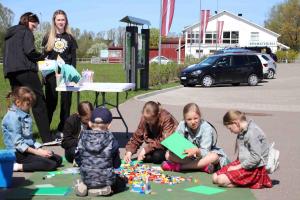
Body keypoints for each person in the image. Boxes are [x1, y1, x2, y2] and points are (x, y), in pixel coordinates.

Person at [3, 12, 52, 142]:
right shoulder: (25, 31)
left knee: (19, 103)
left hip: (11, 72)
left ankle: (19, 137)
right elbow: (29, 51)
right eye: (33, 25)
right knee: (38, 102)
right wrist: (42, 56)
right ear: (27, 21)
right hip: (25, 70)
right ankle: (47, 138)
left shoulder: (10, 34)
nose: (33, 29)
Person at [1, 86, 62, 172]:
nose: (30, 107)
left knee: (58, 159)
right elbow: (18, 144)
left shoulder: (24, 114)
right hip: (17, 153)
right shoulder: (13, 117)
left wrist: (40, 149)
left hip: (27, 150)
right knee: (51, 164)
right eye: (28, 104)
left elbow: (29, 139)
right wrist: (38, 152)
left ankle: (34, 161)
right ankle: (17, 166)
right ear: (18, 102)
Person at [161, 103, 229, 173]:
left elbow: (206, 151)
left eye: (195, 118)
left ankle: (180, 167)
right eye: (189, 119)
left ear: (200, 116)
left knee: (214, 157)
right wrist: (173, 147)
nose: (193, 122)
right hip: (188, 157)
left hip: (203, 156)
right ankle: (201, 167)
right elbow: (178, 142)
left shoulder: (206, 128)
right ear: (185, 119)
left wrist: (197, 151)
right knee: (168, 155)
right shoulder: (182, 124)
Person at [74, 107, 127, 197]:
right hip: (106, 180)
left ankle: (84, 186)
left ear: (90, 123)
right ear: (109, 125)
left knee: (87, 178)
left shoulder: (82, 137)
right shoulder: (111, 139)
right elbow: (116, 164)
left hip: (87, 178)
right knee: (122, 183)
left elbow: (78, 159)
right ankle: (101, 189)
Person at [212, 110, 272, 189]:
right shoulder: (242, 130)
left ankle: (250, 182)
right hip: (243, 163)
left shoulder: (252, 133)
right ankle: (239, 181)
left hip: (253, 168)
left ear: (236, 123)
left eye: (230, 128)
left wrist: (237, 167)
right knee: (215, 177)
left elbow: (256, 158)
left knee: (220, 180)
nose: (231, 131)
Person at [42, 9, 78, 133]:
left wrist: (73, 76)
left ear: (66, 21)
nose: (61, 22)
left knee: (66, 103)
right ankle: (45, 130)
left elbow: (73, 58)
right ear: (54, 21)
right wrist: (44, 75)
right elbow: (44, 57)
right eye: (58, 19)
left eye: (63, 19)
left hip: (66, 74)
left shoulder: (70, 37)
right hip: (52, 74)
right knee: (51, 102)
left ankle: (62, 129)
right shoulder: (48, 36)